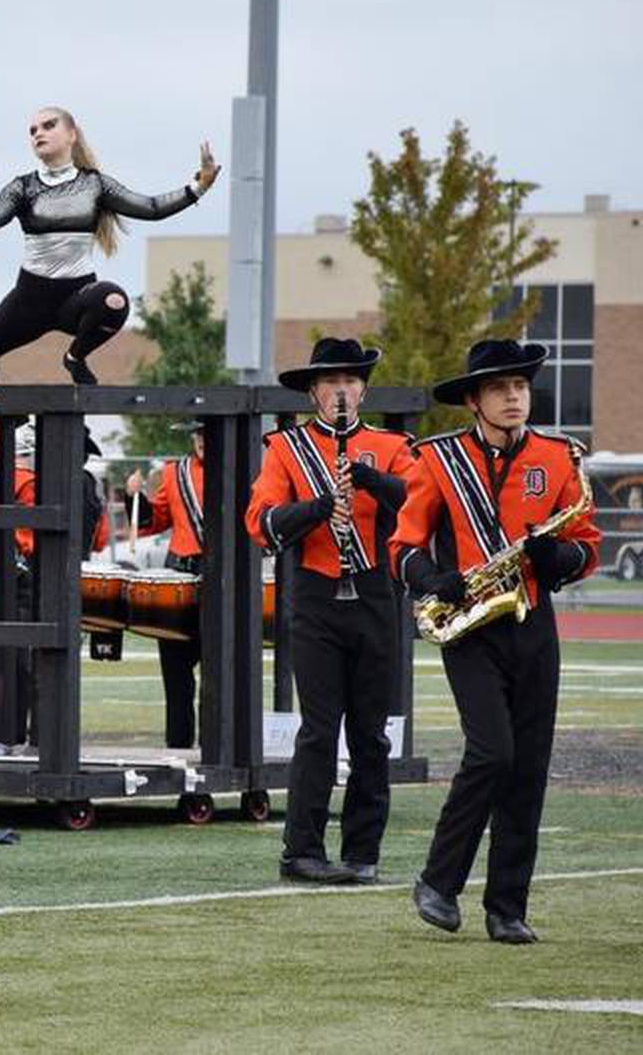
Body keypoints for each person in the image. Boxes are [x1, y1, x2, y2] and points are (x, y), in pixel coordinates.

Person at [393, 340, 599, 944]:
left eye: (521, 388)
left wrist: (556, 555)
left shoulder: (559, 458)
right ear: (475, 400)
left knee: (528, 769)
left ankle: (507, 907)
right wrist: (432, 577)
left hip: (533, 622)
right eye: (501, 389)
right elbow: (401, 548)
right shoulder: (436, 461)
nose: (514, 398)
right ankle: (439, 880)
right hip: (470, 625)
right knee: (493, 753)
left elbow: (586, 545)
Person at [245, 339, 412, 886]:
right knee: (319, 729)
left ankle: (364, 850)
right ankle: (302, 851)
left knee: (371, 731)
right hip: (315, 595)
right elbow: (261, 521)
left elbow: (418, 502)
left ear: (362, 388)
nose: (341, 390)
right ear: (313, 391)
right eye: (330, 381)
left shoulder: (389, 445)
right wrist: (320, 506)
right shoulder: (287, 448)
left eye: (351, 381)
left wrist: (370, 482)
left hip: (374, 594)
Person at [0, 107, 218, 384]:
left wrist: (199, 186)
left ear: (72, 134)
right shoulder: (22, 187)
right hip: (29, 298)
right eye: (33, 130)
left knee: (115, 300)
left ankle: (75, 358)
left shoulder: (95, 184)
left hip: (76, 296)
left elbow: (152, 208)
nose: (39, 134)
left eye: (48, 126)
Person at [124, 421, 207, 749]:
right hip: (178, 576)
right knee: (175, 672)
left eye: (208, 433)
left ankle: (216, 748)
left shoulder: (241, 470)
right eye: (198, 434)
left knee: (218, 675)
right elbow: (154, 521)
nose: (202, 440)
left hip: (221, 577)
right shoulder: (175, 473)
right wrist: (136, 497)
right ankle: (178, 747)